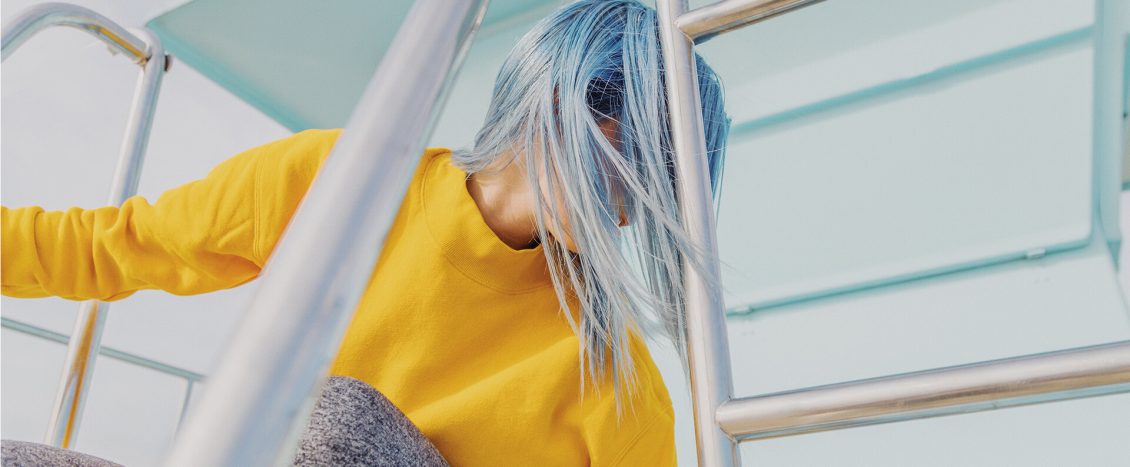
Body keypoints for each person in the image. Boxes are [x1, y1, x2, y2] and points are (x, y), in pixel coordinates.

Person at [0, 0, 730, 464]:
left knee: (340, 418)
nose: (634, 212)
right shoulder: (334, 182)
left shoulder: (617, 382)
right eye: (641, 166)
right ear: (561, 102)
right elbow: (107, 247)